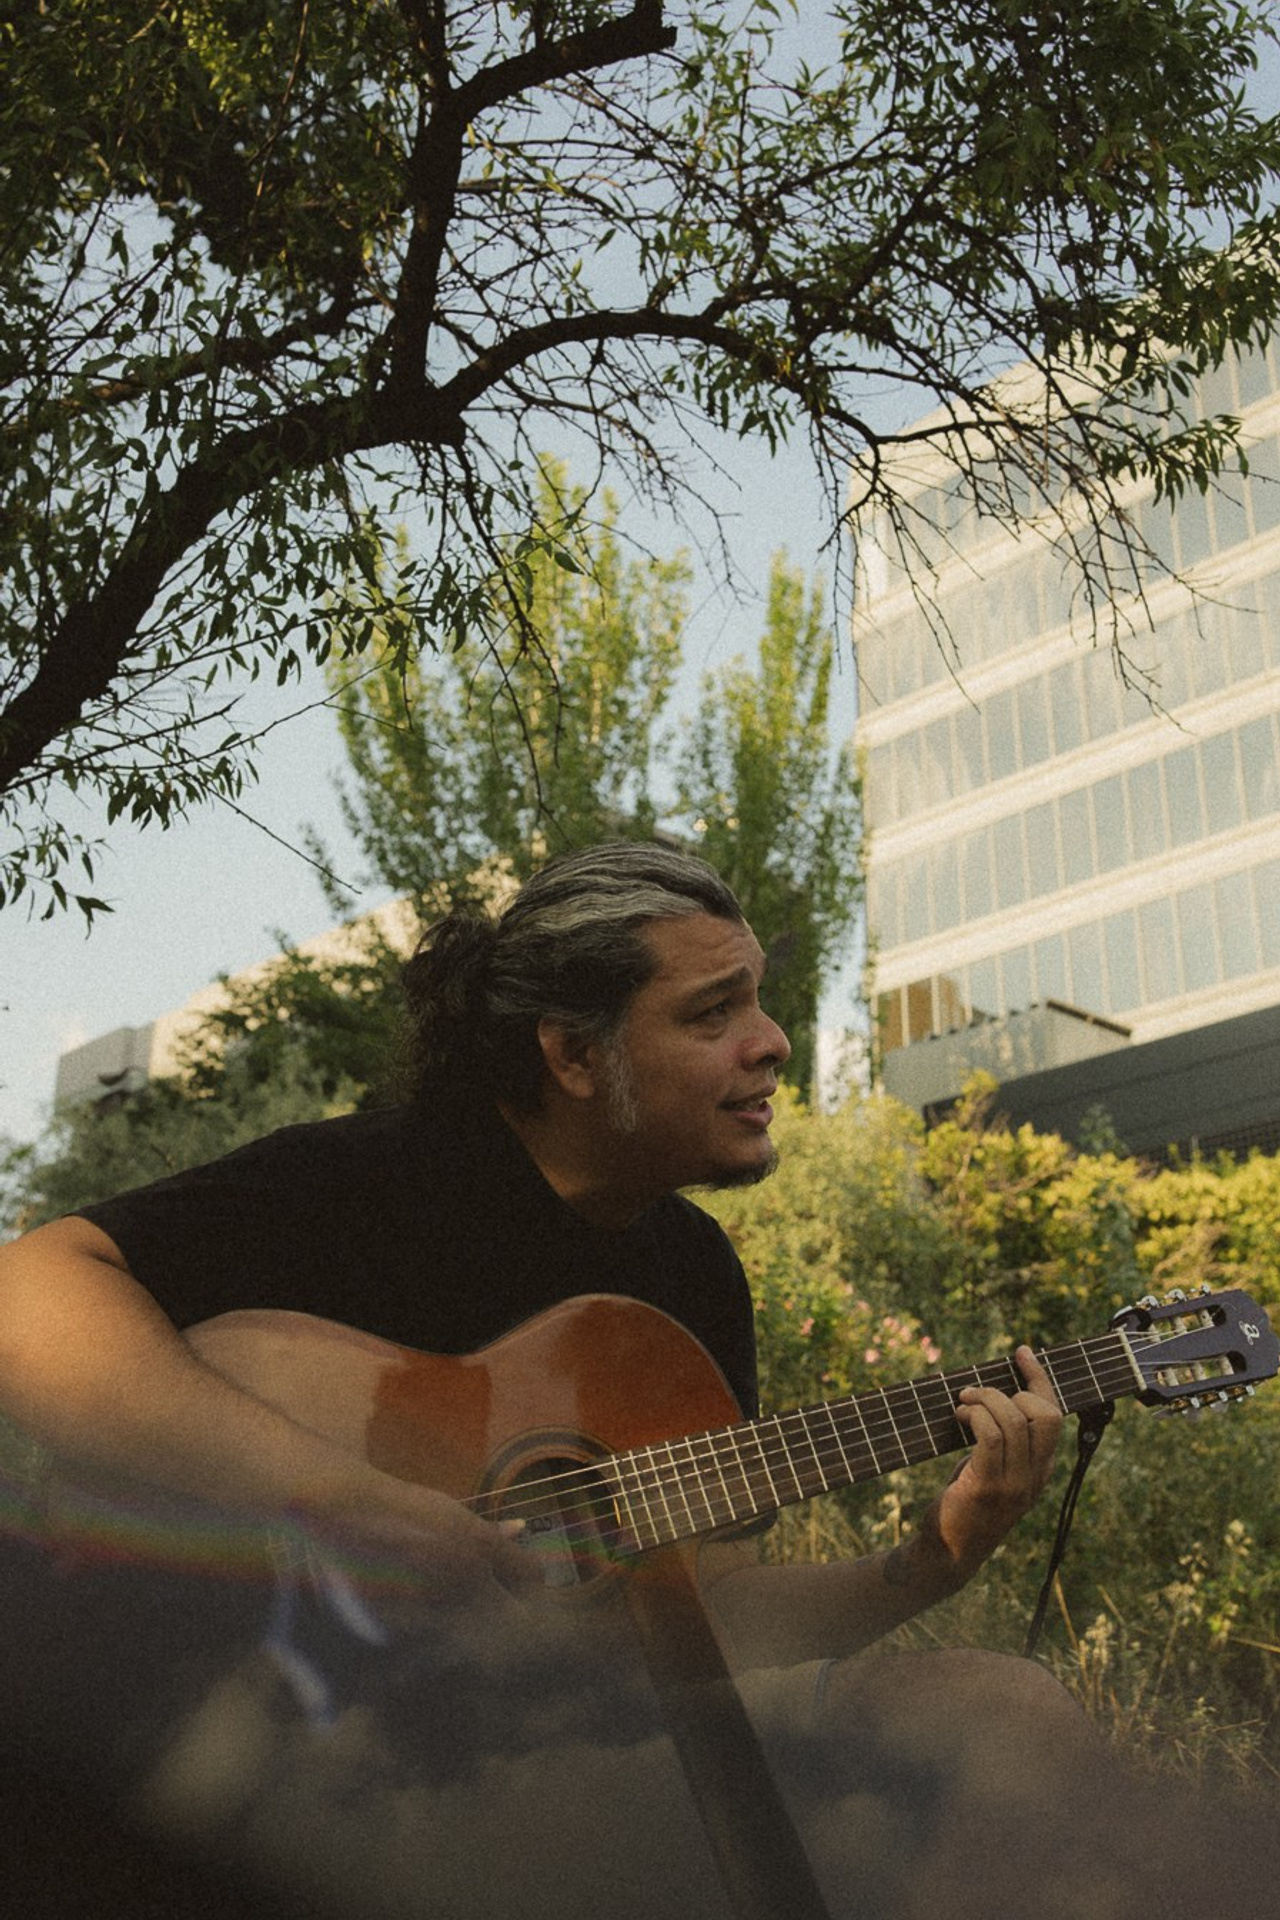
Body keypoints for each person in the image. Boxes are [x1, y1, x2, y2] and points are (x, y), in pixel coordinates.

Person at [0, 844, 1159, 1918]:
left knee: (1005, 1722)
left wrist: (925, 1564)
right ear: (569, 1051)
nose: (770, 1041)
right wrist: (344, 1495)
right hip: (255, 1736)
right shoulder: (376, 1180)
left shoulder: (685, 1275)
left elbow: (701, 1621)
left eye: (757, 998)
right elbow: (28, 1297)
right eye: (713, 1012)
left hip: (545, 1738)